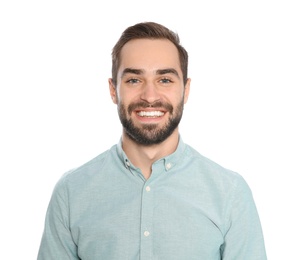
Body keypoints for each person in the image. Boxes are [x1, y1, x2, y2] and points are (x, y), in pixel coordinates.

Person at [37, 22, 267, 259]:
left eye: (165, 80)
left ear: (185, 90)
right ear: (113, 90)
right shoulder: (71, 193)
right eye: (134, 80)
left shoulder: (230, 193)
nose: (149, 96)